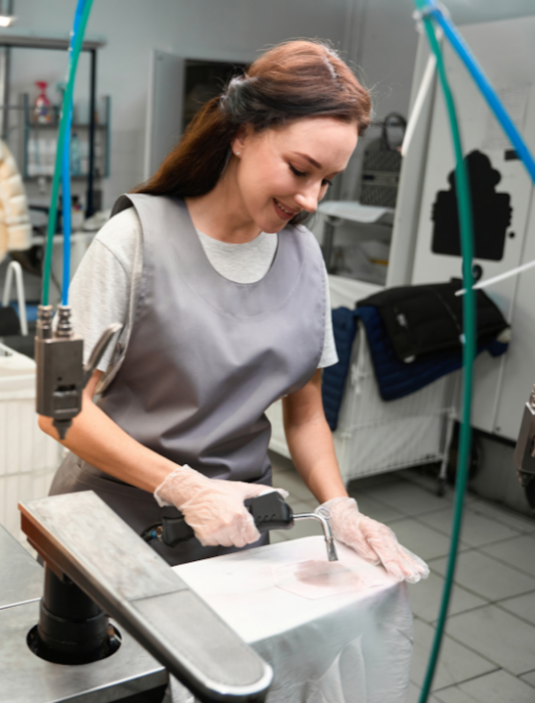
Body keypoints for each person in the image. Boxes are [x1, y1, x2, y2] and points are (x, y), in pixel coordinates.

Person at [39, 40, 428, 583]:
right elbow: (60, 410)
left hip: (238, 533)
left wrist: (340, 506)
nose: (312, 200)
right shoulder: (132, 242)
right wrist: (183, 487)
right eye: (300, 169)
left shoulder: (304, 257)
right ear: (242, 134)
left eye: (327, 181)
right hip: (115, 525)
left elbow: (306, 411)